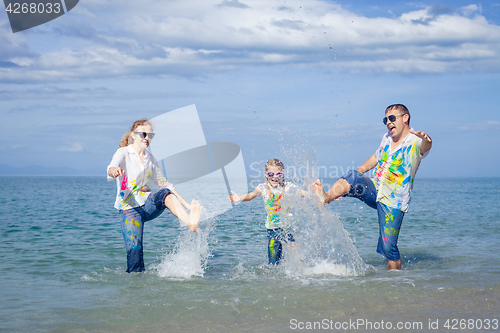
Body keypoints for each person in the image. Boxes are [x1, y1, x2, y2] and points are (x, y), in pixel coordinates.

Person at [312, 104, 432, 270]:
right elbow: (376, 157)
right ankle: (325, 198)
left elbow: (424, 148)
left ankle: (394, 282)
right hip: (375, 189)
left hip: (394, 200)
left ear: (405, 118)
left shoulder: (415, 141)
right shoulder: (387, 138)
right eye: (385, 120)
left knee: (388, 246)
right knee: (352, 176)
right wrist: (358, 173)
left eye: (392, 118)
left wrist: (427, 140)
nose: (388, 122)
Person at [107, 119, 202, 273]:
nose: (147, 138)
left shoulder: (151, 160)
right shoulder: (124, 153)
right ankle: (137, 291)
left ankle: (190, 223)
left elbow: (166, 185)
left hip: (147, 206)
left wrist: (188, 205)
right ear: (133, 135)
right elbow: (111, 167)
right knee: (134, 255)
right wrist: (114, 171)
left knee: (165, 193)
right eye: (144, 134)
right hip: (129, 210)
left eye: (150, 135)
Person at [229, 159, 306, 265]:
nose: (275, 177)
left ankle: (300, 271)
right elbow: (251, 195)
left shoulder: (288, 186)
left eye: (278, 174)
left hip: (288, 226)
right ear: (266, 175)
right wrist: (240, 198)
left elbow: (303, 193)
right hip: (272, 229)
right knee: (273, 262)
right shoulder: (263, 188)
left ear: (282, 174)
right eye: (271, 174)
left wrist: (324, 196)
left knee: (295, 249)